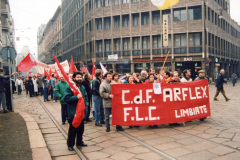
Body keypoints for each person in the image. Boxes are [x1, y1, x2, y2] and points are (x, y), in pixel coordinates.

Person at [63, 71, 89, 151]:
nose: (79, 79)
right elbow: (66, 98)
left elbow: (85, 96)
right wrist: (76, 97)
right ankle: (70, 144)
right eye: (77, 77)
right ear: (74, 78)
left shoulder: (82, 87)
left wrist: (86, 104)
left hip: (81, 111)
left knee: (81, 128)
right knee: (73, 129)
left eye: (80, 77)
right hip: (73, 111)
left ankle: (79, 142)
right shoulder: (69, 87)